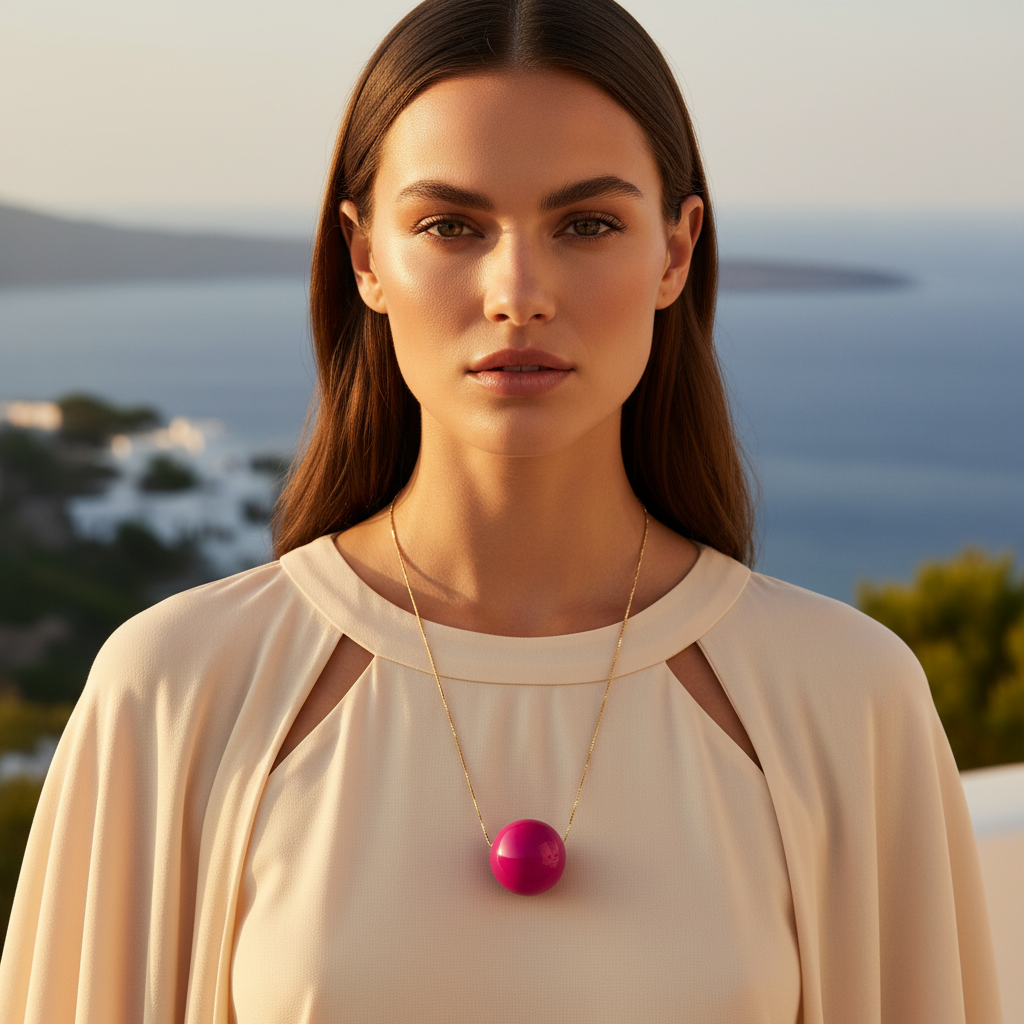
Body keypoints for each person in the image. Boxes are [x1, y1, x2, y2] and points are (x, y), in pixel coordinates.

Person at [0, 0, 1002, 1021]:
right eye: (450, 225)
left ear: (674, 249)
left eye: (586, 224)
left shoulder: (844, 698)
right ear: (364, 257)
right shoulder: (177, 692)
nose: (517, 291)